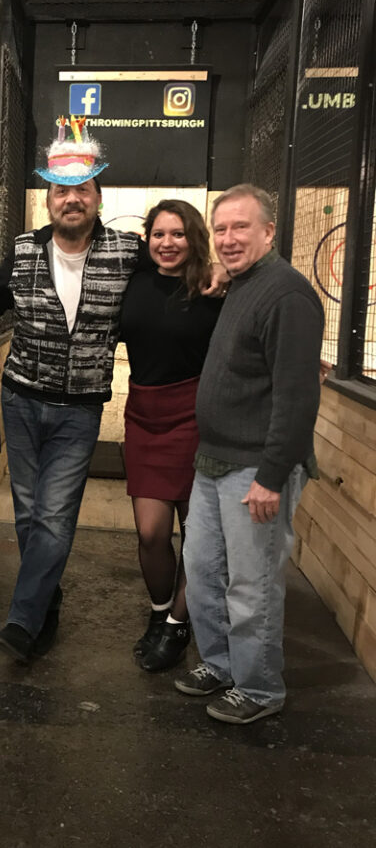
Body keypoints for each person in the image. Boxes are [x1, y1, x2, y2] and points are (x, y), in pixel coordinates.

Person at [0, 119, 144, 664]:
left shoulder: (129, 253)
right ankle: (45, 599)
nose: (71, 200)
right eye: (61, 191)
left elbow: (174, 292)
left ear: (98, 197)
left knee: (55, 517)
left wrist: (220, 285)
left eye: (82, 190)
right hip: (22, 399)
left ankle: (22, 622)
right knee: (29, 515)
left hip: (79, 411)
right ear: (48, 199)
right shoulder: (23, 249)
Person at [174, 183, 324, 724]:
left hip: (255, 469)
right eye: (221, 229)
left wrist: (272, 475)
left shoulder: (287, 295)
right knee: (203, 569)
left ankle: (260, 688)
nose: (229, 238)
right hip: (215, 461)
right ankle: (220, 664)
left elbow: (297, 396)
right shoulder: (241, 285)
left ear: (268, 232)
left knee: (252, 581)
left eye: (241, 227)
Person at [120, 200, 223, 672]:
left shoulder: (213, 287)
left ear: (193, 237)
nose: (167, 243)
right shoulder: (135, 273)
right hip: (144, 415)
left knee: (196, 534)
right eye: (159, 234)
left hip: (194, 416)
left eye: (178, 234)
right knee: (151, 531)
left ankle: (179, 626)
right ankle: (161, 612)